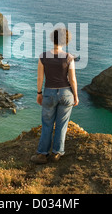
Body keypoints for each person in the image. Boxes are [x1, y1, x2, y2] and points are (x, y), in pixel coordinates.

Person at [30, 28, 79, 164]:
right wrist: (76, 96)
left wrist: (39, 93)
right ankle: (57, 153)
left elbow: (40, 79)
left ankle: (42, 154)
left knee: (47, 124)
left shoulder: (43, 57)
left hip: (49, 93)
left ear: (53, 39)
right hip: (66, 93)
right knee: (62, 125)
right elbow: (73, 79)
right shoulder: (69, 58)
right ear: (66, 41)